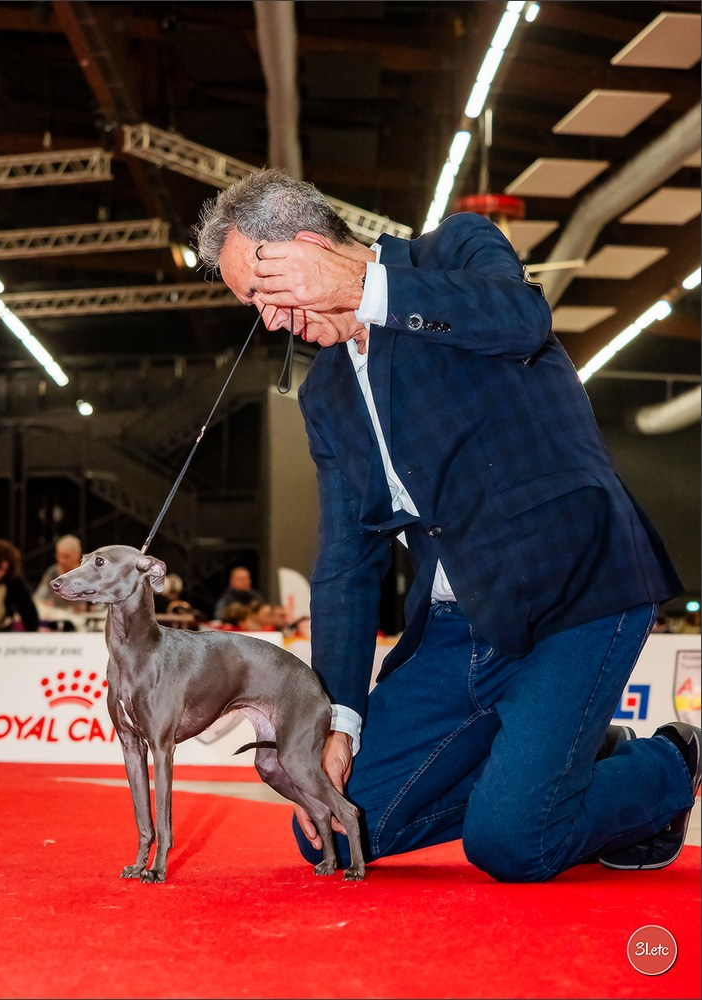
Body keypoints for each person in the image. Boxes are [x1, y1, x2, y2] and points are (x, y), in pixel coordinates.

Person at [194, 168, 699, 882]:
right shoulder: (328, 393)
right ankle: (562, 759)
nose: (269, 322)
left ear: (308, 247)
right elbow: (346, 565)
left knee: (514, 844)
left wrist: (365, 290)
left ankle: (666, 764)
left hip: (576, 591)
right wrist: (333, 721)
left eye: (265, 292)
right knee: (331, 834)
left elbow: (521, 318)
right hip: (460, 630)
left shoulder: (452, 249)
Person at [33, 534, 86, 613]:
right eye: (59, 556)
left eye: (66, 557)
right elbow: (39, 597)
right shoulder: (52, 572)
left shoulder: (86, 574)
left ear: (77, 555)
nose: (62, 561)